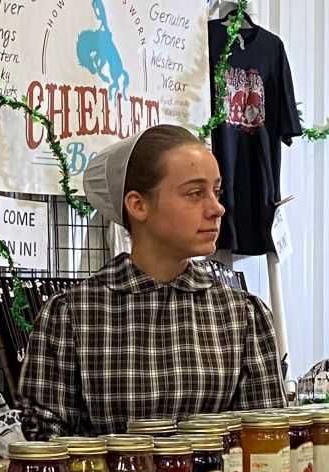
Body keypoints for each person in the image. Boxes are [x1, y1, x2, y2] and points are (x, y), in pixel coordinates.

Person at [18, 124, 286, 440]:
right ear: (138, 205)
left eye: (216, 192)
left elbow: (265, 441)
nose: (217, 209)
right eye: (195, 193)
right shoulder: (72, 315)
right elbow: (46, 446)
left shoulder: (242, 315)